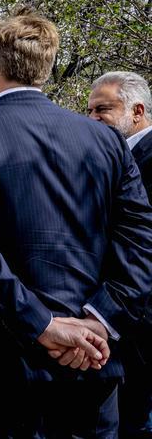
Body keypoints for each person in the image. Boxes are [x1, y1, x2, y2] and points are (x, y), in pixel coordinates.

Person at [0, 6, 152, 437]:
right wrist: (99, 321)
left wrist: (45, 325)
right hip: (95, 355)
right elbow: (141, 241)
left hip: (7, 357)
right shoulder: (106, 140)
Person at [88, 71, 152, 438]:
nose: (93, 118)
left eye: (102, 109)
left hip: (140, 328)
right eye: (89, 110)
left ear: (137, 111)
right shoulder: (114, 159)